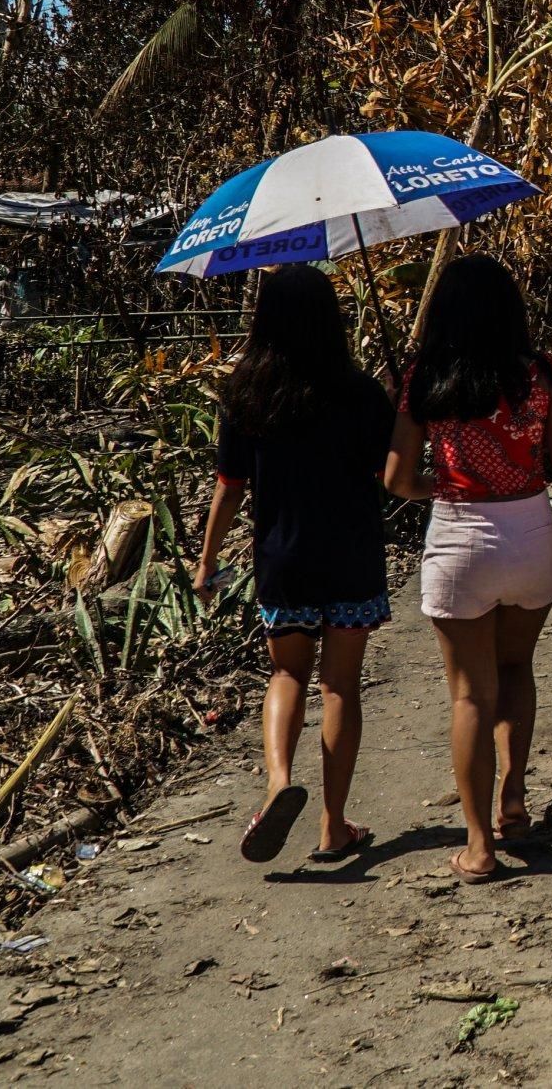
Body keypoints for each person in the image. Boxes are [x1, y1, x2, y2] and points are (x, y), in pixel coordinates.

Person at [386, 255, 552, 882]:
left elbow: (398, 479)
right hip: (530, 534)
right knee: (516, 668)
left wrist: (446, 483)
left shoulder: (424, 379)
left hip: (459, 540)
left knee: (469, 694)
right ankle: (514, 796)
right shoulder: (540, 376)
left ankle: (478, 846)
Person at [196, 265, 393, 866]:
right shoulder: (362, 393)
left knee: (287, 677)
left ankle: (279, 782)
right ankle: (333, 827)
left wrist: (206, 563)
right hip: (352, 556)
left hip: (283, 559)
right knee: (340, 686)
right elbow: (392, 473)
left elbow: (229, 488)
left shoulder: (246, 395)